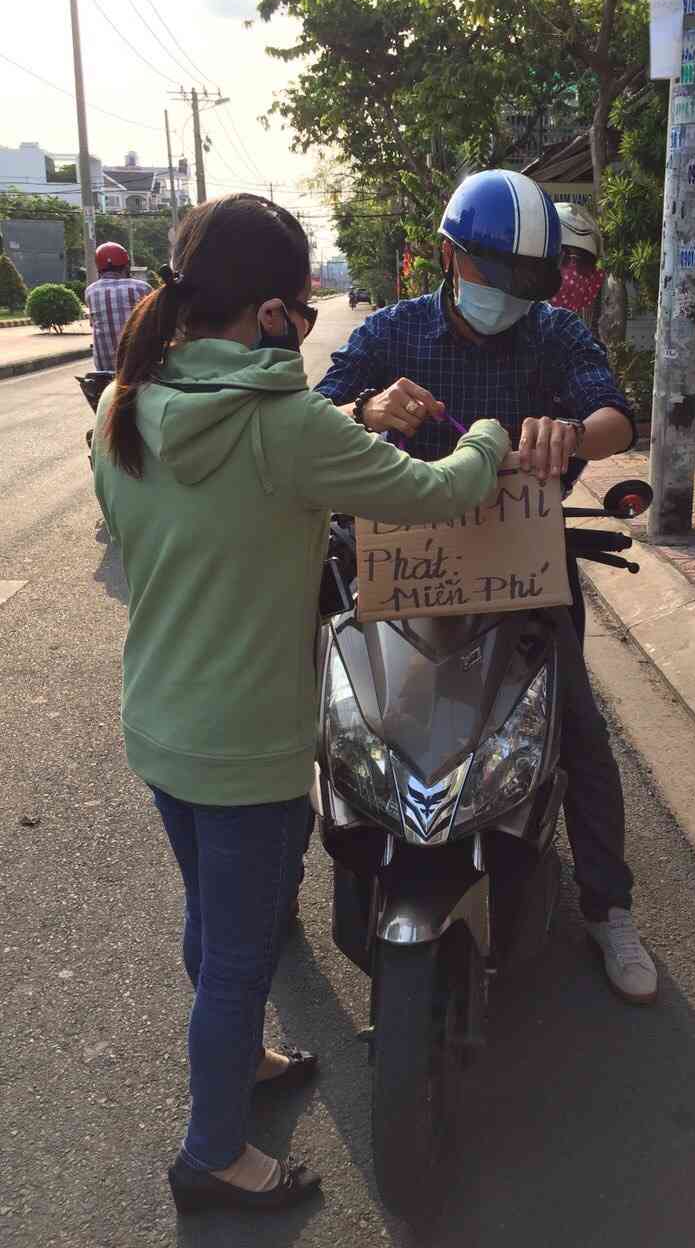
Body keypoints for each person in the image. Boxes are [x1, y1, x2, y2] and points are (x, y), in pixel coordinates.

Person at [92, 193, 510, 1216]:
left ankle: (239, 1059)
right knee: (241, 957)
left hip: (160, 720)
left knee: (212, 920)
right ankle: (213, 1154)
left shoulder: (125, 406)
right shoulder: (283, 426)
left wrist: (352, 421)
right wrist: (490, 436)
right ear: (274, 313)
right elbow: (439, 492)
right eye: (303, 310)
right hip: (247, 743)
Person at [316, 169, 658, 1007]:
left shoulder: (554, 335)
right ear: (449, 257)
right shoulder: (393, 332)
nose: (506, 294)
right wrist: (367, 412)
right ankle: (285, 883)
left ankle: (608, 907)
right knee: (332, 718)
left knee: (578, 734)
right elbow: (316, 414)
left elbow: (616, 416)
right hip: (399, 570)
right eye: (491, 272)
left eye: (525, 280)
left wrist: (572, 433)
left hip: (521, 571)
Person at [84, 242, 151, 372]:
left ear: (99, 268)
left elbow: (93, 323)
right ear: (126, 265)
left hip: (104, 369)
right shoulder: (142, 287)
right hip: (138, 368)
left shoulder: (91, 291)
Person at [551, 202, 605, 326]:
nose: (571, 277)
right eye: (562, 257)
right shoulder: (517, 325)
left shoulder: (579, 335)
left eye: (584, 261)